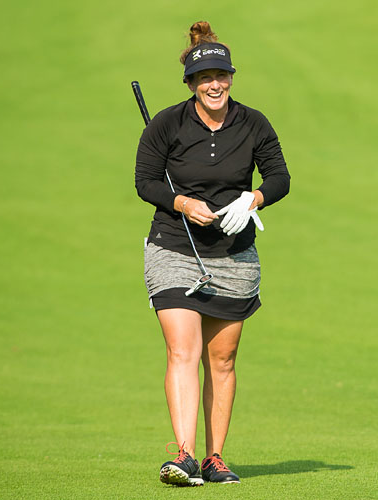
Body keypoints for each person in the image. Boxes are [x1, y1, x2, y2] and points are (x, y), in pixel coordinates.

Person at [134, 20, 290, 487]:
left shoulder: (254, 122)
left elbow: (280, 177)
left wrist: (253, 200)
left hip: (234, 253)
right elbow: (146, 181)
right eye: (205, 79)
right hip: (174, 246)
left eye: (221, 76)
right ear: (191, 84)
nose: (214, 84)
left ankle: (214, 458)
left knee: (221, 359)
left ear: (230, 77)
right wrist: (181, 202)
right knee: (183, 349)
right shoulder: (167, 123)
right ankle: (183, 456)